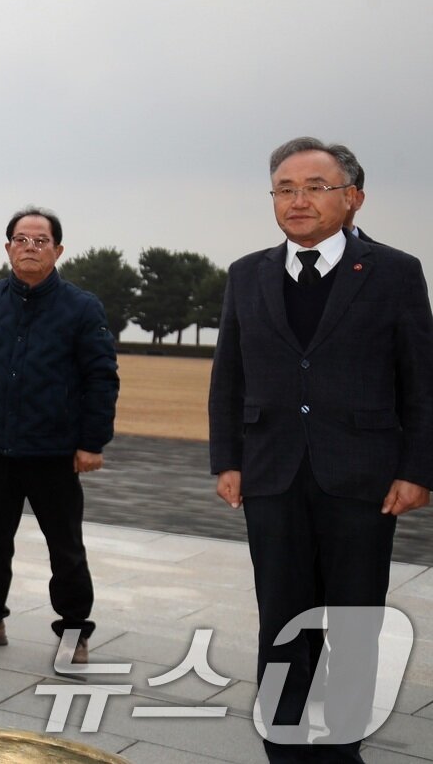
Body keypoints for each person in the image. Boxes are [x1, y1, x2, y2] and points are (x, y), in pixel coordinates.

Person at [209, 137, 432, 762]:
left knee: (355, 625)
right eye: (284, 188)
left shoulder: (395, 272)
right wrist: (227, 459)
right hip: (271, 475)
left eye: (314, 186)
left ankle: (341, 746)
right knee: (280, 619)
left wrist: (418, 470)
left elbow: (420, 378)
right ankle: (282, 739)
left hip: (362, 478)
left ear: (352, 198)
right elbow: (229, 375)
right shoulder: (246, 273)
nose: (297, 200)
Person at [0, 207, 118, 668]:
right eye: (21, 239)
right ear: (7, 248)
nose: (30, 247)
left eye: (41, 241)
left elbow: (101, 378)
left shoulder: (82, 308)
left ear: (58, 250)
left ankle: (74, 633)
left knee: (65, 548)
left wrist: (91, 442)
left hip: (55, 452)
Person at [328, 143, 371, 241]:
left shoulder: (387, 256)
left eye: (316, 189)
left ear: (357, 198)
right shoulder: (286, 256)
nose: (301, 202)